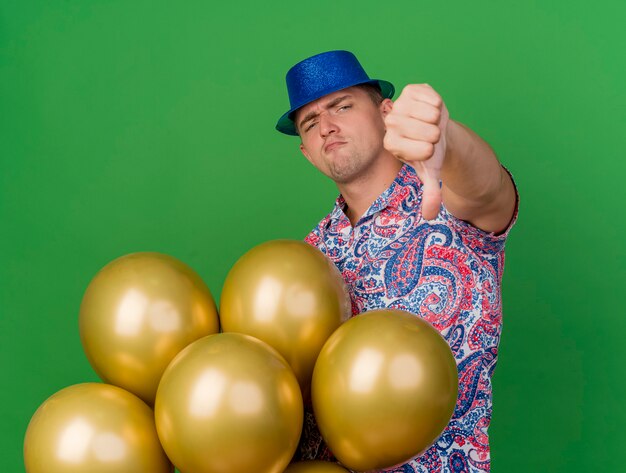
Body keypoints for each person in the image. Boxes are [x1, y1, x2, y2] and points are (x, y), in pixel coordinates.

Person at [276, 50, 518, 473]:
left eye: (342, 106)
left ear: (386, 112)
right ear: (306, 153)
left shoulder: (448, 203)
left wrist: (448, 139)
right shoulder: (307, 256)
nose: (326, 126)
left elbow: (488, 190)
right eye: (310, 123)